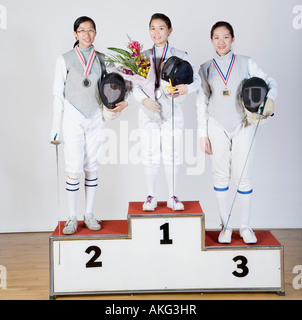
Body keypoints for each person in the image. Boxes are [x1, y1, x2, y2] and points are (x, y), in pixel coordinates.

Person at [197, 21, 277, 244]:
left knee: (243, 176)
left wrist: (269, 100)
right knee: (220, 175)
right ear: (211, 40)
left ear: (233, 39)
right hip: (216, 124)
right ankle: (225, 226)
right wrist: (203, 134)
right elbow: (201, 102)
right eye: (216, 37)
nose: (221, 41)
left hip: (243, 123)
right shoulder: (205, 68)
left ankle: (245, 226)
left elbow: (271, 82)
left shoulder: (246, 62)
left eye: (225, 37)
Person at [50, 16, 128, 235]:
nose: (86, 34)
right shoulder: (64, 59)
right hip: (73, 116)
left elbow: (119, 83)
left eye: (90, 30)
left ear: (95, 33)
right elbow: (58, 92)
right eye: (82, 30)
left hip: (95, 115)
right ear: (75, 34)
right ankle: (72, 218)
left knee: (92, 165)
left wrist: (123, 102)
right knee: (73, 168)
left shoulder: (102, 59)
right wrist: (55, 125)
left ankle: (89, 213)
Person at [133, 13, 201, 211]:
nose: (156, 32)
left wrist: (185, 89)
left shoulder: (181, 54)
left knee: (172, 153)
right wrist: (144, 100)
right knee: (149, 153)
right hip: (148, 112)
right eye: (153, 28)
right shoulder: (141, 57)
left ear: (169, 30)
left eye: (161, 28)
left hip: (172, 110)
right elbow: (133, 85)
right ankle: (150, 196)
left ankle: (173, 196)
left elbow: (195, 80)